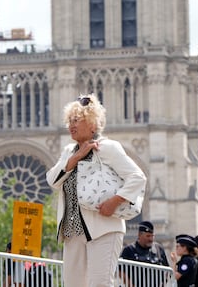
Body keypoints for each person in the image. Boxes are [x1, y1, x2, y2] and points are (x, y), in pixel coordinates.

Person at [45, 94, 147, 286]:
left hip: (104, 228)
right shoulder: (69, 151)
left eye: (76, 120)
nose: (71, 125)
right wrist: (75, 158)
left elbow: (137, 177)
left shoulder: (108, 148)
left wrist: (114, 201)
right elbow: (52, 180)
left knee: (99, 283)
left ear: (92, 123)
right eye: (69, 121)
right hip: (72, 231)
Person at [119, 221, 169, 286]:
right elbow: (121, 271)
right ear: (139, 235)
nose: (151, 239)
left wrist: (163, 283)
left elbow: (167, 270)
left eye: (152, 236)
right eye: (148, 236)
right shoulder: (129, 249)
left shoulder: (158, 249)